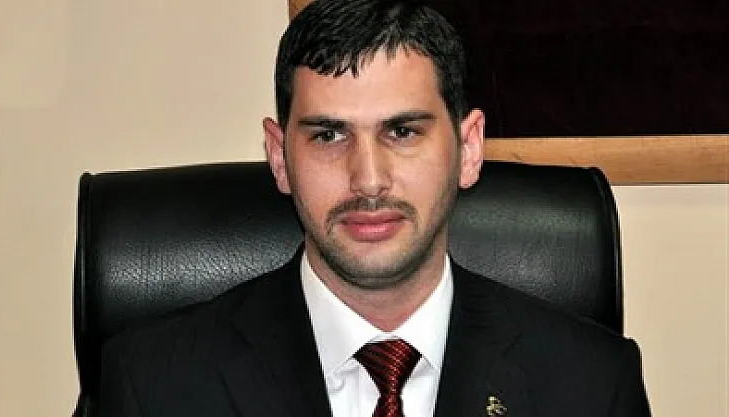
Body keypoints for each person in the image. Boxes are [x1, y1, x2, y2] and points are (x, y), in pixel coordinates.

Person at [99, 0, 652, 416]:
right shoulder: (151, 386)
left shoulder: (593, 386)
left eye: (402, 131)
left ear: (468, 149)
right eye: (329, 135)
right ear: (279, 157)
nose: (367, 180)